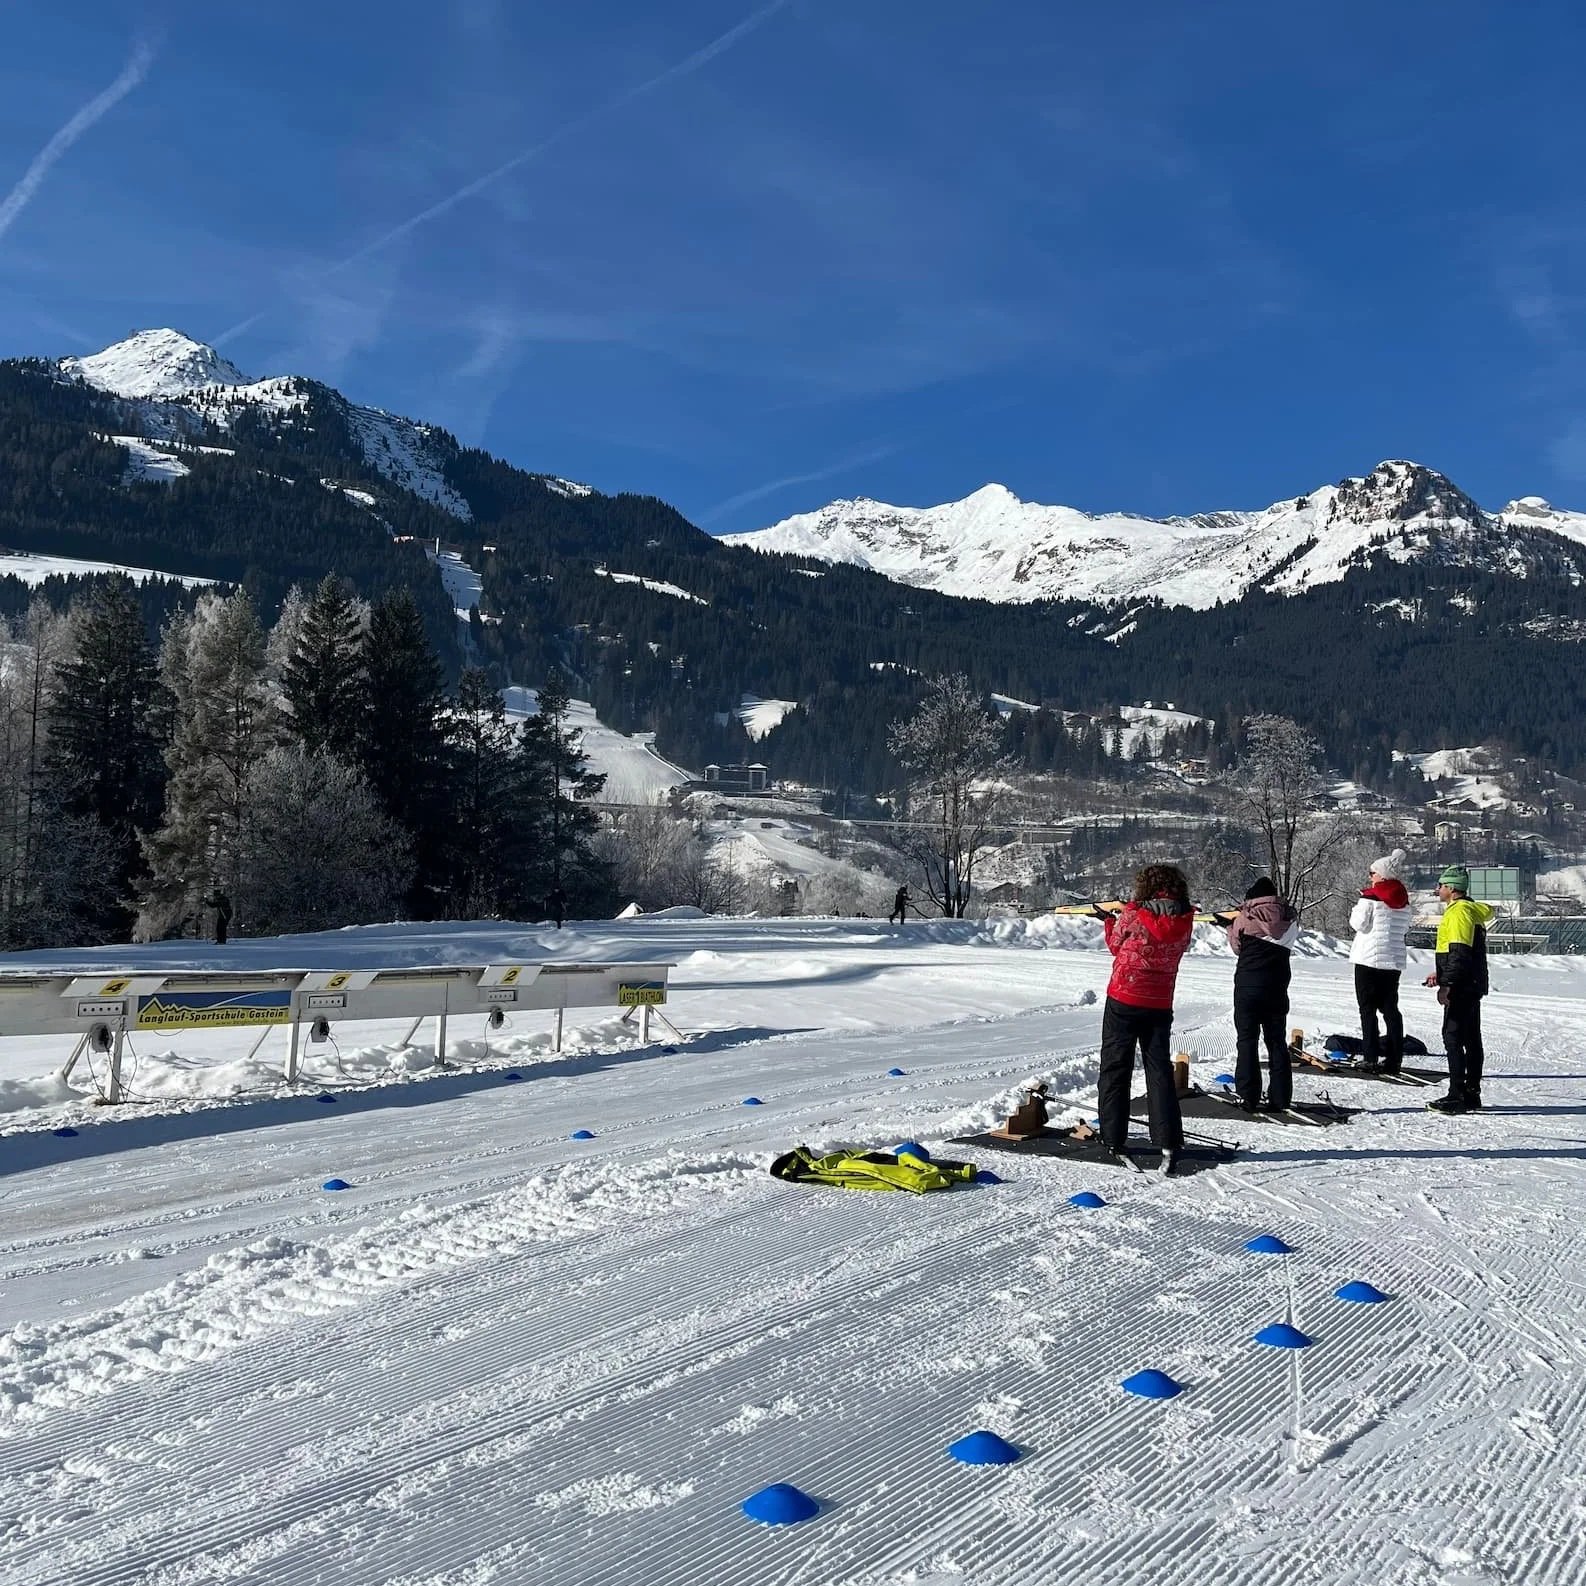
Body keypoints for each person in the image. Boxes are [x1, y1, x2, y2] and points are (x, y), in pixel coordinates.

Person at [1095, 864, 1195, 1173]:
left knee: (1115, 1067)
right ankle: (1167, 1139)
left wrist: (1109, 922)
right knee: (1159, 1070)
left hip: (1124, 997)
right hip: (1160, 1002)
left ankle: (1113, 1138)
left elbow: (1115, 946)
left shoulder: (1134, 913)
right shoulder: (1184, 918)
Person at [1424, 864, 1493, 1114]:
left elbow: (1460, 953)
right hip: (1471, 982)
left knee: (1452, 1037)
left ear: (1452, 889)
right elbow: (1460, 953)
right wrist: (1441, 974)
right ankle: (1471, 1093)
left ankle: (1457, 1094)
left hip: (1462, 985)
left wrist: (1447, 985)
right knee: (1471, 1037)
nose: (1438, 889)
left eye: (1441, 885)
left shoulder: (1459, 912)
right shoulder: (1470, 910)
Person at [1227, 877, 1300, 1111]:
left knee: (1247, 1040)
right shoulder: (1290, 920)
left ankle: (1248, 1095)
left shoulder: (1244, 918)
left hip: (1248, 986)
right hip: (1277, 986)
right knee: (1276, 1041)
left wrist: (1229, 927)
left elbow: (1236, 947)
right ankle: (1280, 1097)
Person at [1349, 847, 1411, 1073]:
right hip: (1393, 960)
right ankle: (1395, 1058)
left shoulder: (1370, 897)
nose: (1370, 877)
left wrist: (1358, 905)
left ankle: (1370, 1056)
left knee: (1367, 1009)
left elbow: (1358, 924)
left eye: (1372, 872)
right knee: (1390, 1009)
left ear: (1382, 875)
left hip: (1368, 959)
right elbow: (1404, 928)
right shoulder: (1403, 900)